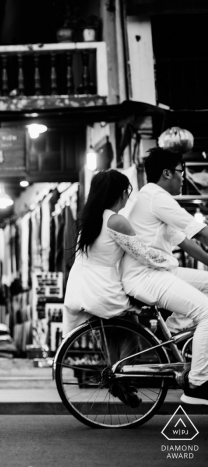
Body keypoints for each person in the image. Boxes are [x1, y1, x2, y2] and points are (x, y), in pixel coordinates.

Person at [120, 148, 208, 405]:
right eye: (182, 171)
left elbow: (190, 244)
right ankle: (198, 382)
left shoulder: (153, 199)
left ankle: (175, 330)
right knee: (207, 312)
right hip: (146, 276)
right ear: (167, 172)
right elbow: (201, 233)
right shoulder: (157, 197)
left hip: (161, 272)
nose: (184, 177)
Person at [63, 169, 175, 336]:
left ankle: (116, 364)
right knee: (131, 337)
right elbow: (144, 255)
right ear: (122, 193)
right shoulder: (116, 221)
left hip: (81, 286)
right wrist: (171, 263)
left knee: (113, 344)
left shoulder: (92, 220)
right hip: (103, 289)